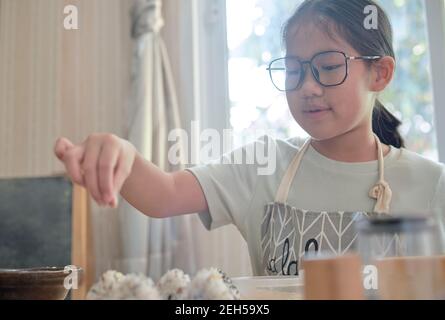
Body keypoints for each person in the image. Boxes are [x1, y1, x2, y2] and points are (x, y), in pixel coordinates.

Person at [54, 0, 445, 276]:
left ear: (380, 74)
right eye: (294, 70)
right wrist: (122, 152)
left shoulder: (432, 184)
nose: (307, 86)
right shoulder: (263, 165)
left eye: (327, 67)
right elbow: (163, 194)